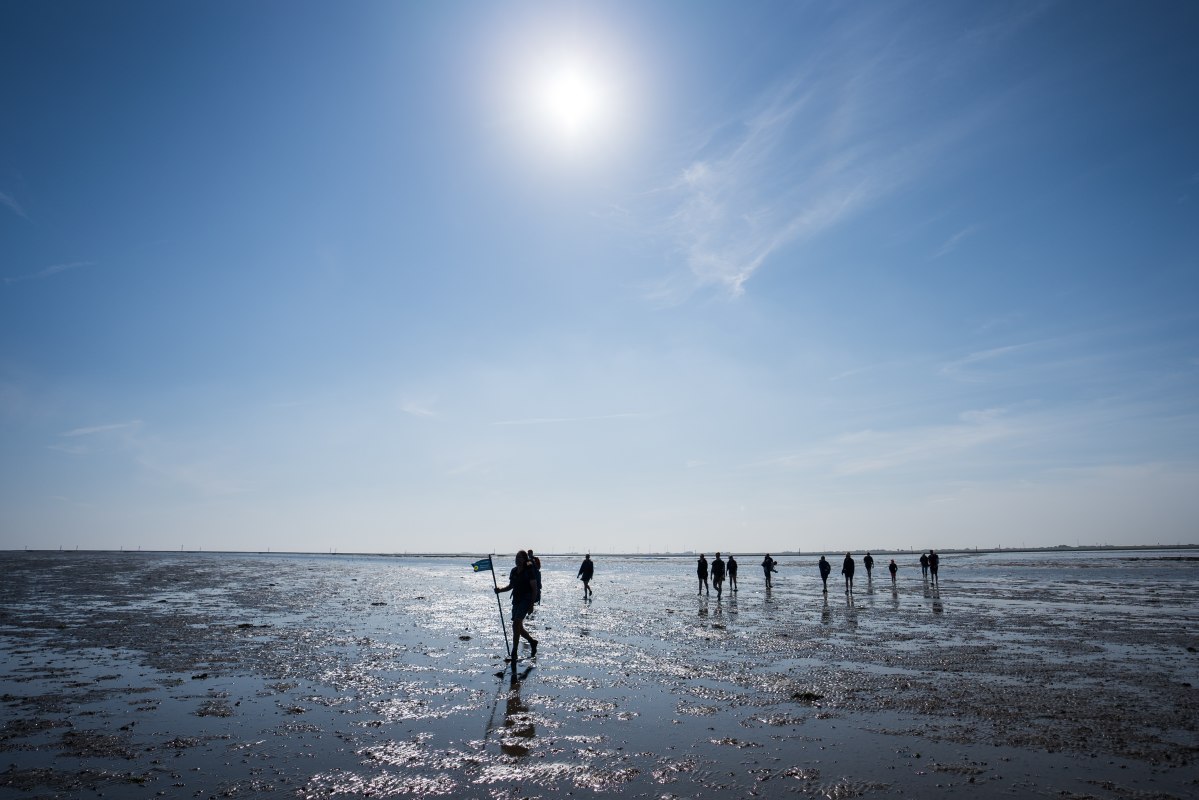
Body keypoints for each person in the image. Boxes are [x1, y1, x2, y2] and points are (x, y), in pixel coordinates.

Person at [494, 551, 539, 661]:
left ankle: (514, 651)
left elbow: (534, 589)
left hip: (526, 599)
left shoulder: (529, 571)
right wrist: (500, 590)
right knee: (518, 626)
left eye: (520, 558)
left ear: (524, 559)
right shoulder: (513, 571)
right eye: (516, 557)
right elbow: (511, 586)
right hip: (516, 600)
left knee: (516, 624)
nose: (517, 559)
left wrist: (531, 605)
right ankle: (532, 641)